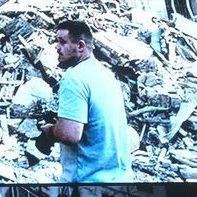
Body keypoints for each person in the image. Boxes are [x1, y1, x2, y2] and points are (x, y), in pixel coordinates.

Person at [38, 20, 132, 182]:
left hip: (88, 181)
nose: (57, 47)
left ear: (80, 46)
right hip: (120, 179)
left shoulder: (74, 78)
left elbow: (69, 134)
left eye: (62, 42)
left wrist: (50, 131)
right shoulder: (105, 74)